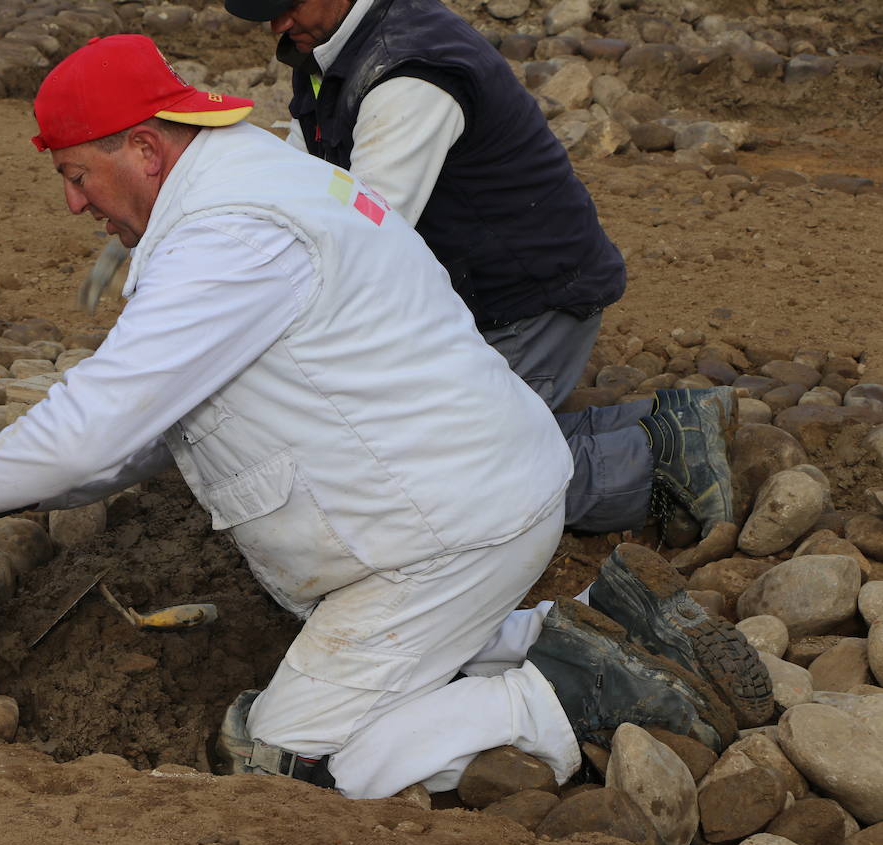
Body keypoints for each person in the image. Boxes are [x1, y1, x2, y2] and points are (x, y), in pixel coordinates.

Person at [0, 35, 761, 799]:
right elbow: (128, 439)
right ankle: (598, 617)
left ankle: (565, 696)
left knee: (289, 761)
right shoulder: (252, 175)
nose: (73, 203)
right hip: (469, 495)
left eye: (76, 175)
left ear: (143, 148)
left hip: (439, 532)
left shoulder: (228, 238)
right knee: (404, 656)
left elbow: (98, 421)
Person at [224, 0, 735, 540]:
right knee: (402, 435)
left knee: (419, 478)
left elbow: (364, 242)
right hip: (478, 296)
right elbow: (304, 186)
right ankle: (677, 428)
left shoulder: (407, 74)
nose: (277, 25)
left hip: (526, 306)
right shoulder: (335, 50)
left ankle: (661, 472)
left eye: (287, 5)